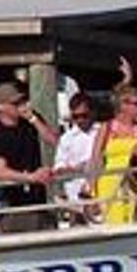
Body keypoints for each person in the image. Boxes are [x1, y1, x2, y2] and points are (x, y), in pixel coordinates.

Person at [0, 81, 59, 232]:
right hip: (14, 205)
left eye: (23, 100)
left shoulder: (31, 120)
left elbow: (54, 141)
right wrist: (31, 177)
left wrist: (34, 120)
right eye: (16, 103)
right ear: (1, 107)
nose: (22, 105)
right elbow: (1, 171)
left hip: (39, 200)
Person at [88, 87, 137, 225]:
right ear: (123, 105)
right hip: (110, 182)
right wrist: (92, 191)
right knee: (113, 222)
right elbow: (96, 159)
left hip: (133, 183)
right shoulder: (107, 127)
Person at [50, 92, 99, 224]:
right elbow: (58, 168)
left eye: (84, 115)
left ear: (92, 113)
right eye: (76, 117)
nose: (80, 120)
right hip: (75, 202)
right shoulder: (67, 139)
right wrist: (75, 169)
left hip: (100, 198)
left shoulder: (102, 132)